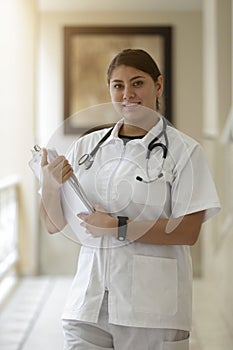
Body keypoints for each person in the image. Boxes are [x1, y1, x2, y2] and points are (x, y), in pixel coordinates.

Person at [40, 49, 220, 350]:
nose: (127, 94)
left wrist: (118, 227)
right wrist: (49, 186)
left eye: (137, 83)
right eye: (118, 85)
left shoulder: (184, 151)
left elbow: (188, 232)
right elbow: (53, 224)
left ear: (158, 86)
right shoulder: (87, 147)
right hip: (88, 303)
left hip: (152, 310)